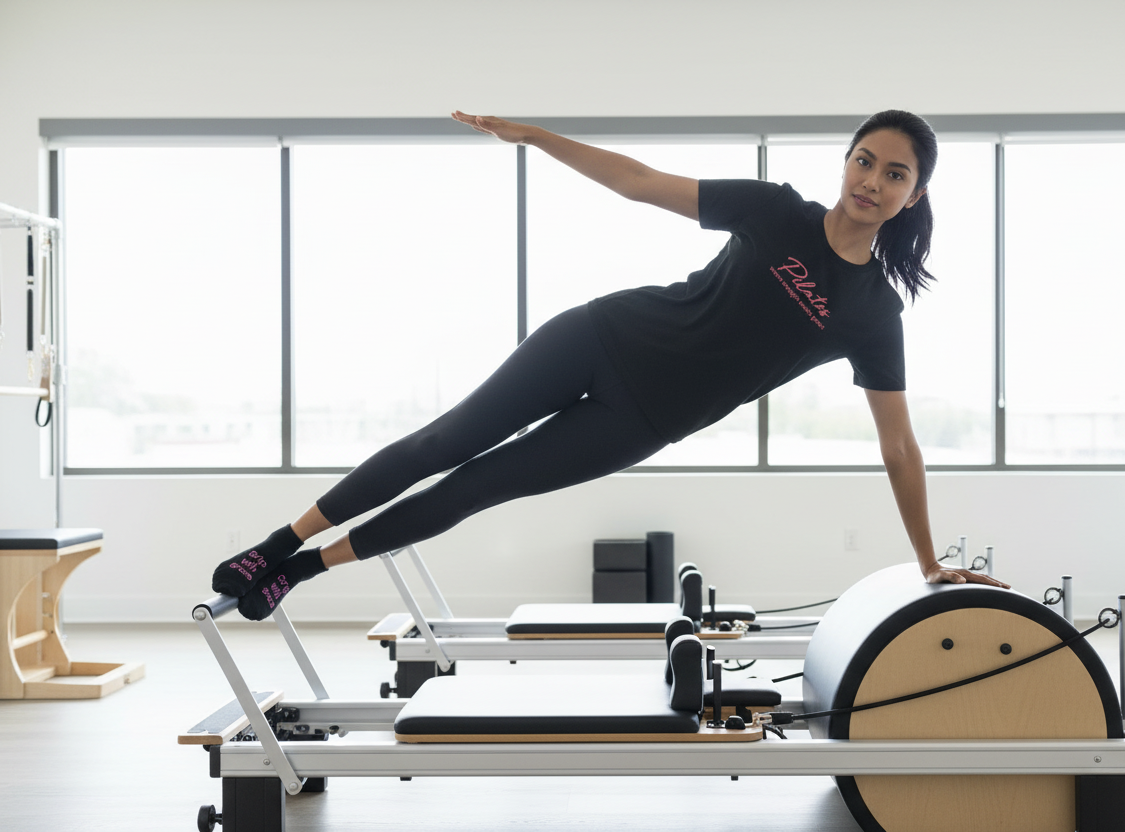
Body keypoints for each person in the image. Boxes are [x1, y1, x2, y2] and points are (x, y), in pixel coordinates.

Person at [211, 108, 1009, 620]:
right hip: (600, 337)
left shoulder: (874, 313)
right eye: (865, 160)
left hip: (641, 421)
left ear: (914, 196)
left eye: (894, 173)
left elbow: (899, 445)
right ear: (847, 162)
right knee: (442, 444)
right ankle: (275, 543)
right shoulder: (774, 210)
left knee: (476, 489)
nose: (872, 180)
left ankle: (305, 569)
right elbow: (638, 182)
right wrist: (536, 137)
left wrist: (929, 561)